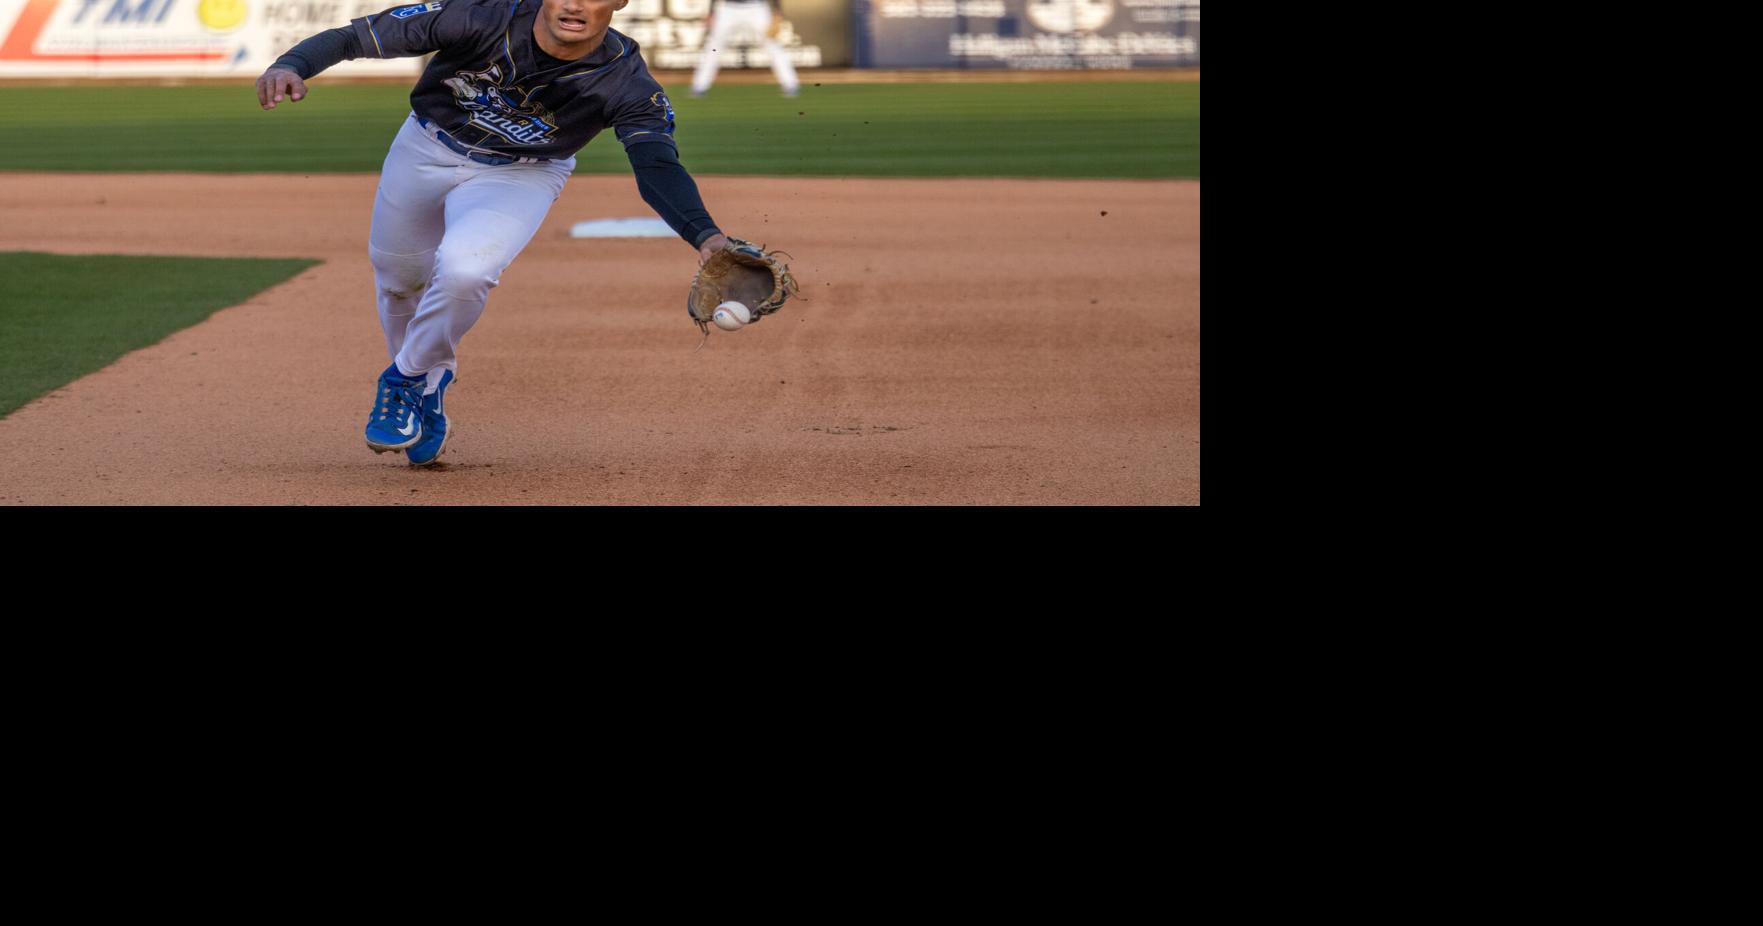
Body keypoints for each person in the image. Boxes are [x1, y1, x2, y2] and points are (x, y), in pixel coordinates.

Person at [255, 0, 731, 466]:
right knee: (399, 281)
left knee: (467, 269)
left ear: (620, 2)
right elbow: (356, 37)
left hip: (522, 174)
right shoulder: (479, 16)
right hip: (424, 149)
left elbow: (656, 166)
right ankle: (429, 388)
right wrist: (291, 65)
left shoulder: (625, 81)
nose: (575, 5)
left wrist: (706, 237)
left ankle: (405, 379)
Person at [690, 0, 799, 98]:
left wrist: (777, 10)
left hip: (756, 8)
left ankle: (790, 85)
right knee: (713, 49)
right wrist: (711, 12)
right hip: (728, 9)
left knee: (773, 46)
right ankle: (699, 86)